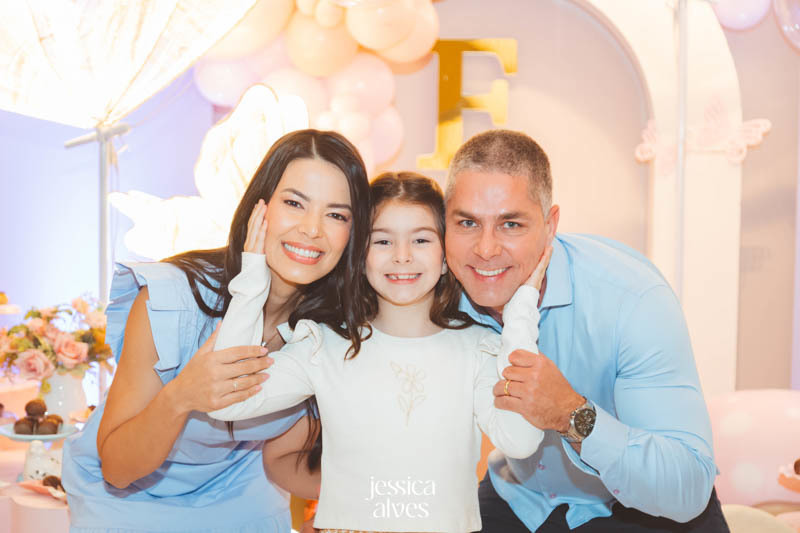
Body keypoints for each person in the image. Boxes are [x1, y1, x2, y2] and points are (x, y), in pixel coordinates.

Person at [61, 129, 371, 533]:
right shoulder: (174, 298)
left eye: (336, 215)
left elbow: (287, 460)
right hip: (128, 496)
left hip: (242, 491)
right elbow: (118, 470)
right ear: (259, 206)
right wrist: (182, 396)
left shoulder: (333, 330)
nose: (312, 230)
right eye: (295, 203)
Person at [208, 172, 549, 532]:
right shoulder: (324, 345)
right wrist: (251, 280)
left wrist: (522, 310)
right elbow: (227, 402)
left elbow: (520, 441)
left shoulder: (477, 349)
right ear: (361, 257)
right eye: (383, 241)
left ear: (445, 256)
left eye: (421, 239)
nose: (402, 257)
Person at [443, 129, 730, 532]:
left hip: (644, 507)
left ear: (550, 225)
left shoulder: (631, 299)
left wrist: (571, 414)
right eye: (468, 222)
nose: (486, 249)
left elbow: (687, 485)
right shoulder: (430, 293)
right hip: (523, 495)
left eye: (510, 224)